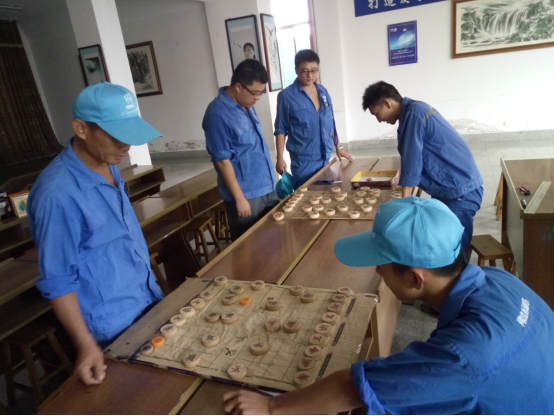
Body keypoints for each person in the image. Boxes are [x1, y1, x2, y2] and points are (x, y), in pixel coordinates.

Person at [223, 197, 554, 415]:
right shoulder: (498, 278)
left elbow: (354, 387)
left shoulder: (460, 355)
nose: (378, 271)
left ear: (415, 278)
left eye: (381, 265)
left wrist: (271, 408)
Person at [27, 82, 164, 386]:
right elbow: (58, 279)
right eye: (116, 135)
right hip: (112, 322)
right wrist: (85, 343)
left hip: (145, 297)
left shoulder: (106, 162)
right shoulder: (57, 194)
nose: (126, 146)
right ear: (81, 129)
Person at [362, 81, 483, 252]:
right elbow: (416, 156)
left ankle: (462, 269)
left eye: (377, 114)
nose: (379, 120)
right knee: (444, 244)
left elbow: (412, 161)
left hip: (460, 192)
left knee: (452, 250)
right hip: (453, 187)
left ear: (387, 103)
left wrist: (403, 204)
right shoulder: (413, 111)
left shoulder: (414, 114)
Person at [203, 59, 278, 241]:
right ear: (238, 86)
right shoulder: (217, 113)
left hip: (267, 186)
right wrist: (239, 198)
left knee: (273, 240)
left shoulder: (247, 105)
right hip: (247, 194)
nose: (258, 98)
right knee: (250, 246)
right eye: (255, 93)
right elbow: (222, 161)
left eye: (261, 93)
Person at [274, 50, 354, 189]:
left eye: (314, 70)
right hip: (303, 160)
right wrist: (280, 158)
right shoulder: (286, 96)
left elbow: (330, 122)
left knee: (326, 195)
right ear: (296, 70)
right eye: (305, 71)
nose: (310, 75)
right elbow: (281, 129)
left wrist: (338, 146)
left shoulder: (323, 91)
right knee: (305, 195)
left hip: (325, 156)